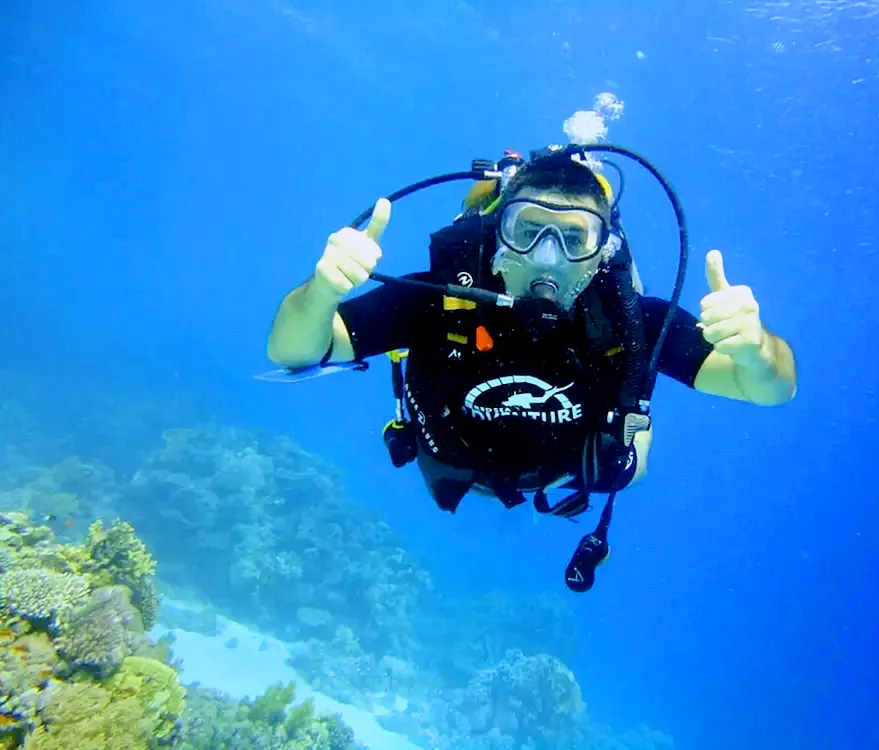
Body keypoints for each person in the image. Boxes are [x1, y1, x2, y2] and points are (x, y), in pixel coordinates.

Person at [266, 147, 797, 589]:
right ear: (498, 234)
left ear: (603, 251)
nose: (548, 258)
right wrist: (322, 293)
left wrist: (756, 352)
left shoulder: (631, 321)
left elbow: (772, 390)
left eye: (574, 239)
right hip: (458, 462)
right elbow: (290, 351)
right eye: (529, 230)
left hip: (568, 470)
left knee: (631, 464)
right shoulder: (437, 299)